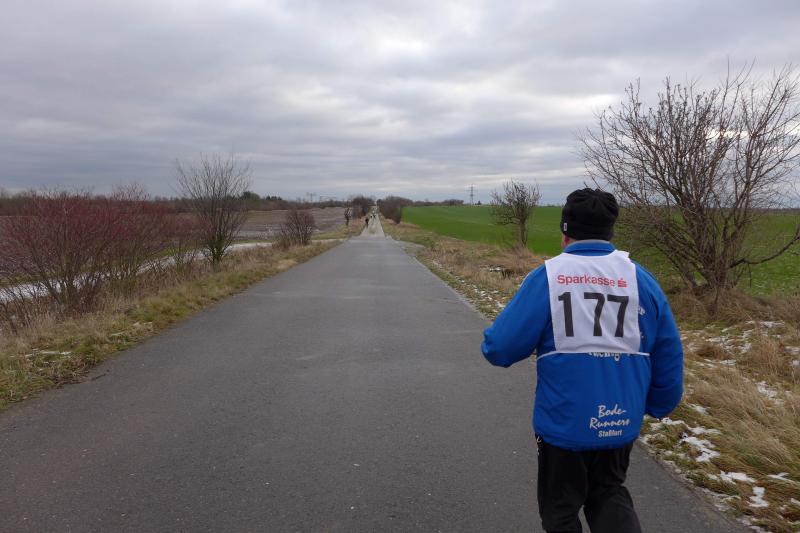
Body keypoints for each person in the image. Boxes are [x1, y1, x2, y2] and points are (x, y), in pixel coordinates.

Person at [481, 188, 683, 533]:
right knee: (609, 494)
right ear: (610, 232)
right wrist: (660, 403)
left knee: (560, 512)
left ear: (565, 232)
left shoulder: (549, 276)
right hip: (620, 420)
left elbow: (500, 347)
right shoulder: (640, 279)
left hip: (564, 424)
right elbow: (668, 350)